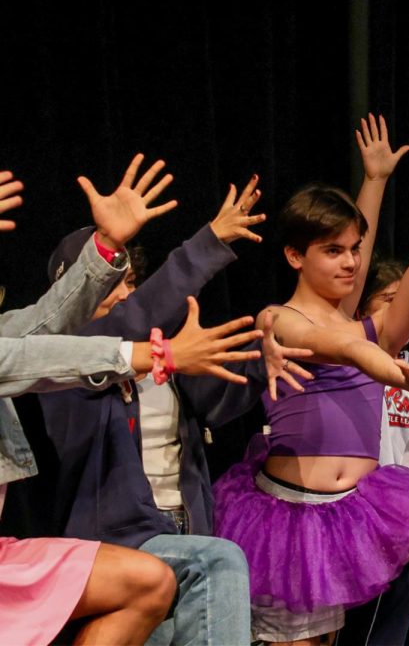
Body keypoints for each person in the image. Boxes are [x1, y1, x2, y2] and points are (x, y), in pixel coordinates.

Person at [214, 106, 409, 645]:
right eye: (332, 251)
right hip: (291, 517)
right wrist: (398, 372)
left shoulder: (371, 329)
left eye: (355, 251)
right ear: (294, 255)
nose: (351, 262)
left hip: (358, 507)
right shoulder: (277, 319)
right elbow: (339, 346)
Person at [26, 176, 312, 646]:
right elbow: (134, 317)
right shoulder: (59, 359)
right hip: (118, 545)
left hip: (186, 530)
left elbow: (217, 406)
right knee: (221, 560)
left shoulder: (159, 351)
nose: (122, 294)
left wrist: (264, 366)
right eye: (108, 285)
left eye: (130, 283)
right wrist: (208, 244)